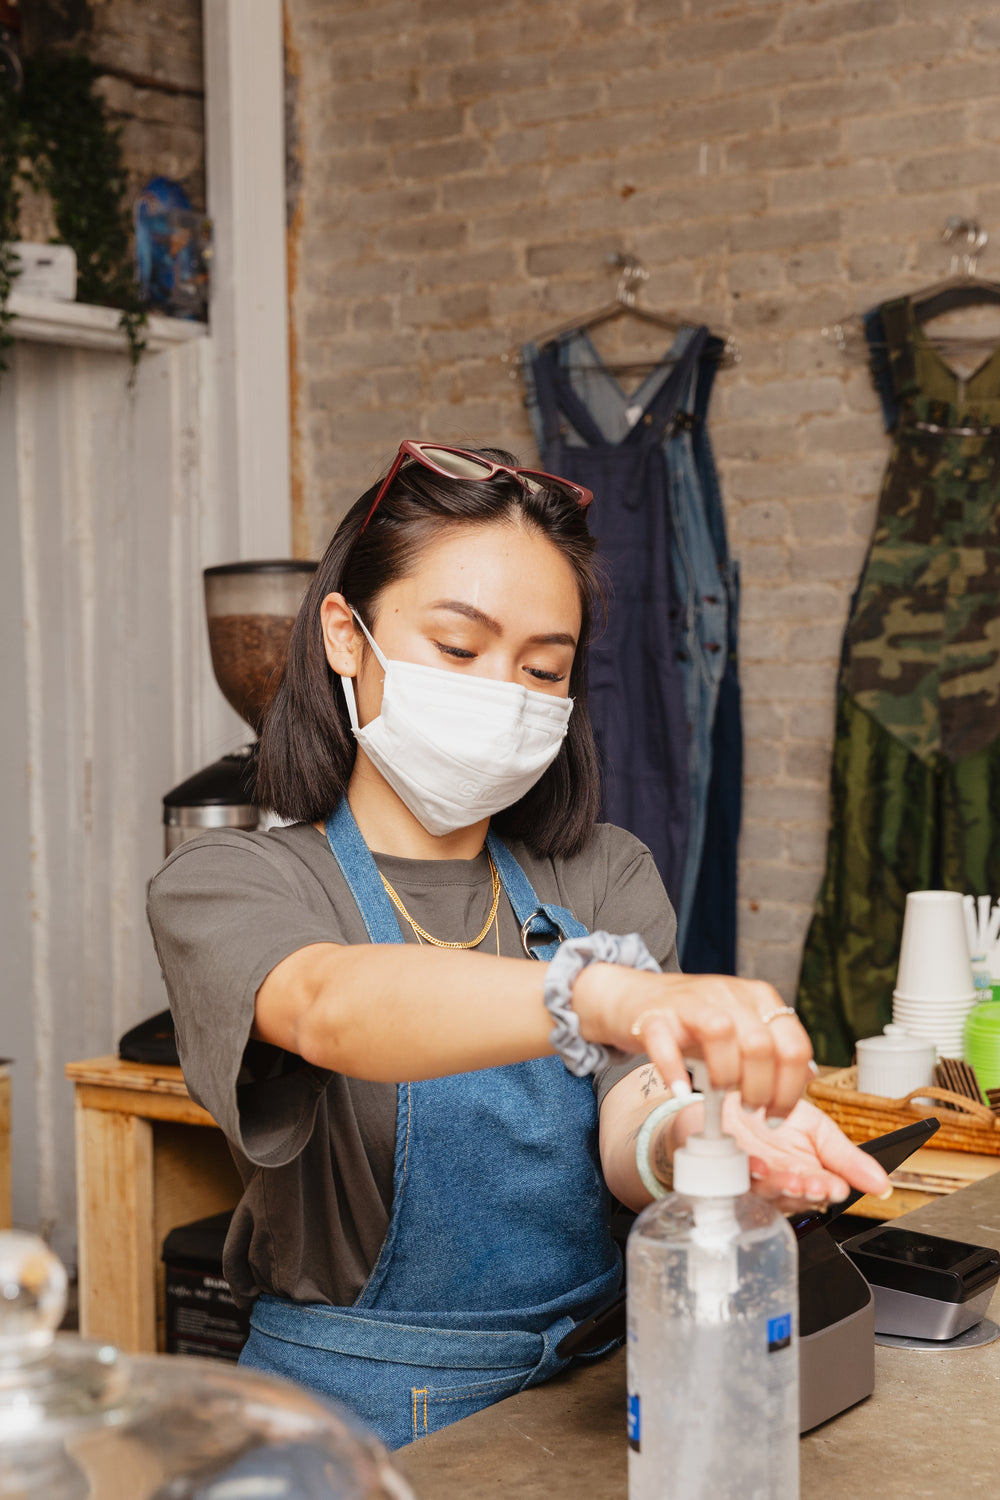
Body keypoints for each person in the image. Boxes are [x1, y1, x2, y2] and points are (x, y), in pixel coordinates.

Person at [147, 441, 890, 1451]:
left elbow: (636, 1108)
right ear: (343, 635)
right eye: (458, 651)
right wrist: (600, 993)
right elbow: (330, 1006)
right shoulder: (240, 882)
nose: (505, 693)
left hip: (590, 1397)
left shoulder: (602, 872)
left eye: (542, 668)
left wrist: (703, 1143)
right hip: (351, 1426)